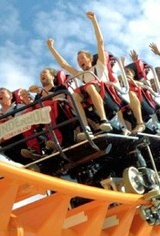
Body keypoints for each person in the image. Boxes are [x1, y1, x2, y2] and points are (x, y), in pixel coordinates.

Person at [46, 11, 113, 140]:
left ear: (89, 58)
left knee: (90, 87)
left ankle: (103, 119)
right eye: (78, 60)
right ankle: (86, 127)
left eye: (82, 58)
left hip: (104, 89)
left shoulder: (99, 65)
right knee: (74, 96)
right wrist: (51, 48)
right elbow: (64, 65)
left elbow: (100, 42)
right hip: (89, 92)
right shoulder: (81, 75)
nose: (79, 61)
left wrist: (94, 21)